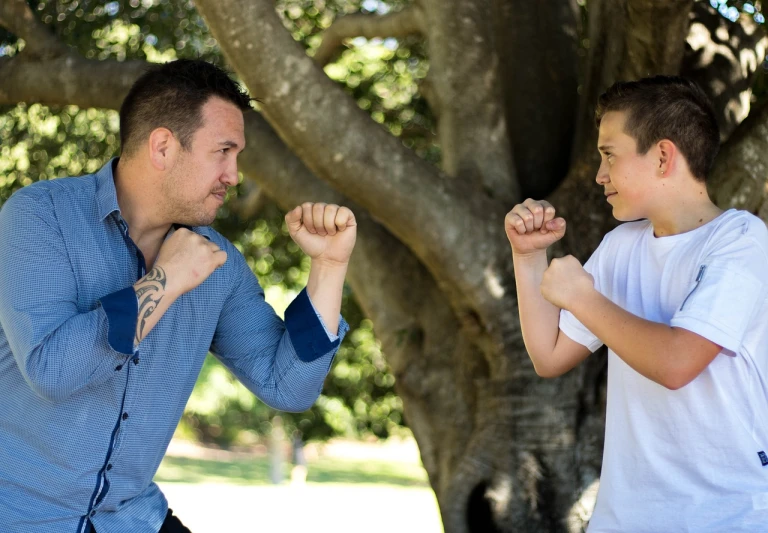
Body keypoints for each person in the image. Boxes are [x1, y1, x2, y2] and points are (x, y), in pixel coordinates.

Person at [0, 59, 356, 533]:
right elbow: (52, 369)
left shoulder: (218, 264)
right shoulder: (39, 217)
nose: (234, 175)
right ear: (164, 147)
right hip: (20, 514)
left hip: (131, 519)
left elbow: (287, 386)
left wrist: (328, 269)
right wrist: (164, 280)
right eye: (223, 151)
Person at [505, 76, 768, 531]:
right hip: (622, 521)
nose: (598, 174)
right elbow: (548, 356)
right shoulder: (621, 245)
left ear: (664, 156)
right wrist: (528, 258)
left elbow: (677, 363)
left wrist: (583, 297)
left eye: (609, 155)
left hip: (726, 518)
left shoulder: (741, 241)